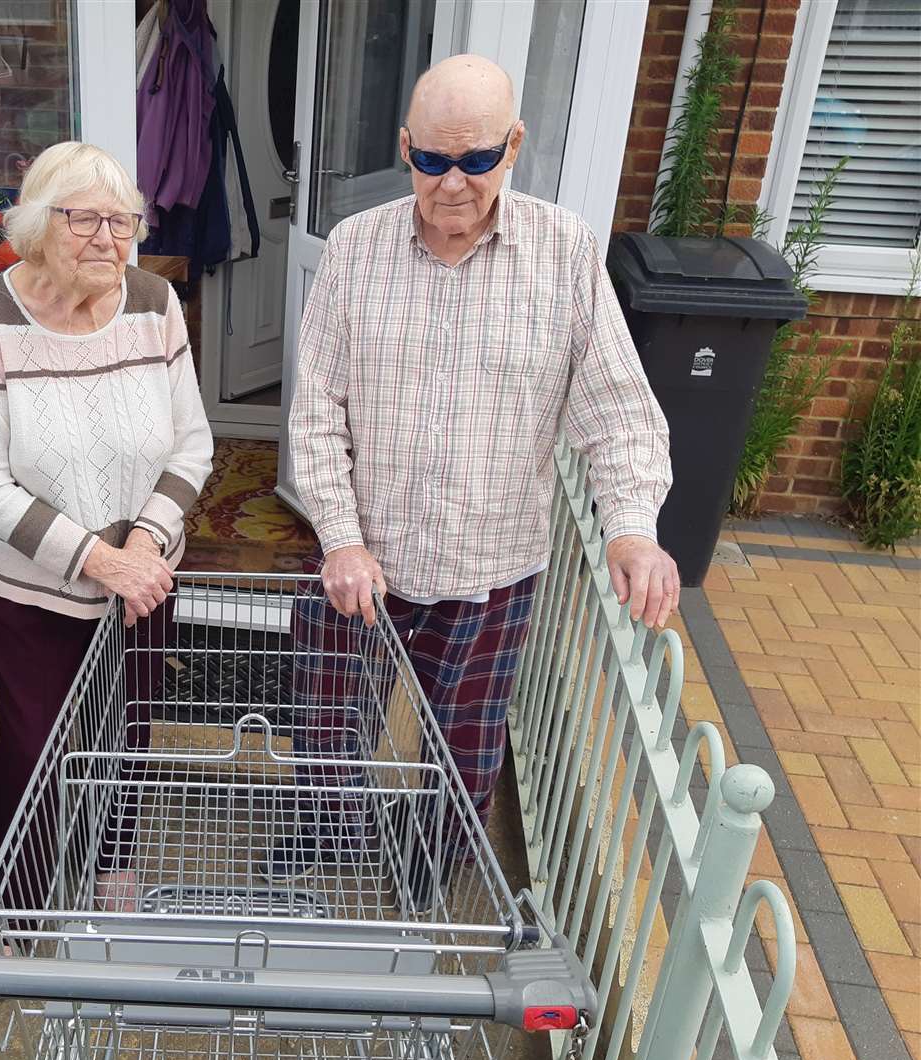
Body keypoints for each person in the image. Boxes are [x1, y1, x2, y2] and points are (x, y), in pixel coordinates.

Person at [279, 56, 677, 896]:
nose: (452, 184)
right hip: (365, 558)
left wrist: (632, 526)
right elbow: (315, 412)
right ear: (405, 149)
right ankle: (321, 838)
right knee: (325, 720)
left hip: (492, 566)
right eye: (430, 161)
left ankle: (427, 869)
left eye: (475, 160)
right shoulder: (353, 250)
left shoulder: (564, 251)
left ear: (515, 145)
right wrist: (341, 540)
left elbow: (616, 405)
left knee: (463, 746)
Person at [0, 141, 213, 918]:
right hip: (34, 592)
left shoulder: (153, 303)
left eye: (123, 220)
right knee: (33, 750)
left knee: (129, 730)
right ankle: (16, 901)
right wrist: (96, 558)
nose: (109, 238)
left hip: (145, 578)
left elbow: (192, 443)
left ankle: (114, 868)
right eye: (85, 220)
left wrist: (143, 545)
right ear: (37, 226)